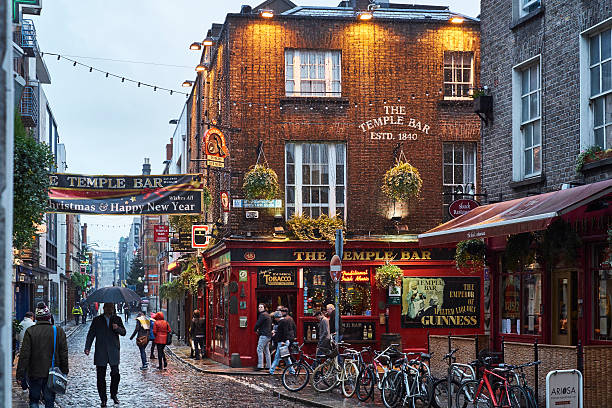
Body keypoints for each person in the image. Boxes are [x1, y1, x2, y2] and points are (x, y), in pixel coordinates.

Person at [16, 302, 68, 408]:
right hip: (52, 372)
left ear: (36, 318)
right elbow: (63, 353)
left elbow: (24, 355)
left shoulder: (30, 331)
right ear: (49, 317)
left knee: (34, 400)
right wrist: (64, 370)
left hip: (34, 372)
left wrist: (20, 374)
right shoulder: (58, 331)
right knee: (49, 400)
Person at [84, 302, 126, 407]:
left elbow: (124, 332)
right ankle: (103, 399)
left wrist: (117, 328)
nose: (110, 309)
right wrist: (87, 347)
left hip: (113, 351)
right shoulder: (97, 320)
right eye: (108, 307)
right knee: (100, 377)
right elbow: (91, 334)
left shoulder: (117, 319)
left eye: (111, 307)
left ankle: (113, 394)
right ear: (104, 308)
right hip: (101, 351)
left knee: (116, 374)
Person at [253, 304, 272, 371]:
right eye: (259, 307)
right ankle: (268, 365)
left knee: (259, 349)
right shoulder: (268, 314)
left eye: (261, 307)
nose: (260, 308)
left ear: (264, 308)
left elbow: (258, 323)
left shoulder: (262, 315)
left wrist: (255, 329)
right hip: (268, 335)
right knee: (266, 350)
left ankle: (260, 365)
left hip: (264, 335)